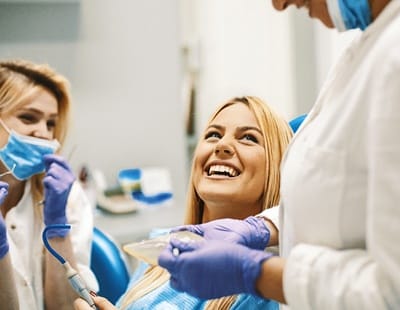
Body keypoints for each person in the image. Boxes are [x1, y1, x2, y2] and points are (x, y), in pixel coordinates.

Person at [157, 0, 400, 309]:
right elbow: (339, 200)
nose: (279, 4)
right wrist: (264, 227)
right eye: (214, 134)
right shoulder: (370, 47)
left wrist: (254, 273)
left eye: (248, 138)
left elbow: (393, 291)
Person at [73, 96, 293, 309]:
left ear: (277, 168)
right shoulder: (160, 248)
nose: (222, 145)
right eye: (213, 135)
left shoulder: (266, 287)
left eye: (248, 138)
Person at [0, 59, 98, 309]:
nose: (44, 133)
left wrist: (57, 227)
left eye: (50, 123)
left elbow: (66, 307)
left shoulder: (64, 194)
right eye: (28, 117)